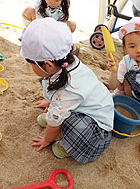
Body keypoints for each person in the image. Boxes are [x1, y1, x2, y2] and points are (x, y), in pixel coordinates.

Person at [20, 18, 114, 163]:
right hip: (89, 105)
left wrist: (46, 139)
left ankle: (68, 147)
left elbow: (56, 122)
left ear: (49, 65)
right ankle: (55, 111)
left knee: (59, 118)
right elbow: (60, 96)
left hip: (97, 130)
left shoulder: (68, 90)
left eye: (32, 64)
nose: (31, 68)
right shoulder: (68, 63)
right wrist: (50, 102)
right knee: (57, 110)